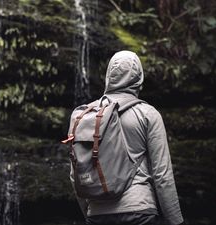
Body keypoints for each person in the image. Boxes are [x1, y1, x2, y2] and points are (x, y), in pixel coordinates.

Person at [70, 50, 184, 225]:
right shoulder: (147, 114)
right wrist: (176, 221)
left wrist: (90, 213)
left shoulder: (82, 116)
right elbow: (162, 176)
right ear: (139, 77)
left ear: (108, 76)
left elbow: (75, 174)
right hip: (139, 212)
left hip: (97, 214)